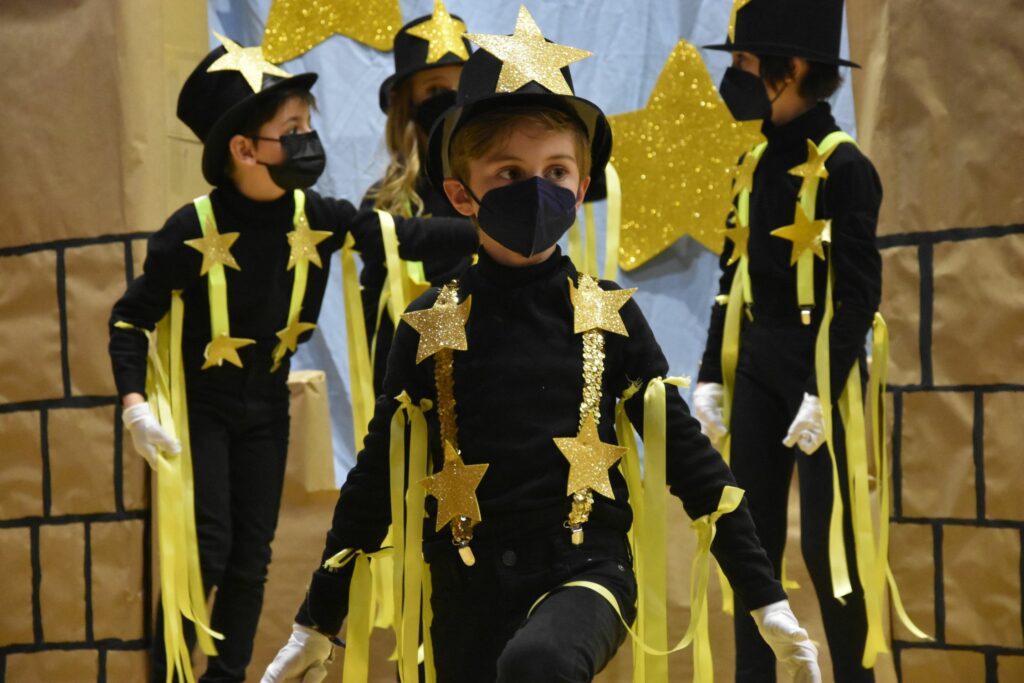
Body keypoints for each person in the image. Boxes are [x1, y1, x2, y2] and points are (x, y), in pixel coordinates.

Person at [263, 9, 821, 683]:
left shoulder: (606, 313)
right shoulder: (430, 320)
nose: (536, 188)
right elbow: (374, 480)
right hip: (464, 585)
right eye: (507, 172)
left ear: (582, 188)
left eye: (556, 171)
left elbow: (696, 466)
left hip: (587, 571)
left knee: (539, 663)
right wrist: (315, 621)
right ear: (461, 194)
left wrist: (766, 600)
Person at [109, 34, 478, 683]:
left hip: (266, 404)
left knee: (253, 553)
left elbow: (402, 236)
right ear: (244, 149)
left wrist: (490, 231)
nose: (309, 139)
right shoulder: (190, 229)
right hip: (203, 407)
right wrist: (135, 404)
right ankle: (168, 669)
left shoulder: (318, 214)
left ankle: (223, 676)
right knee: (209, 547)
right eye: (292, 129)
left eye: (309, 125)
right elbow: (130, 318)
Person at [693, 0, 885, 681]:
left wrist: (822, 390)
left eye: (746, 63)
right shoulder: (749, 165)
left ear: (791, 68)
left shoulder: (845, 167)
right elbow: (731, 277)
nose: (737, 77)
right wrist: (712, 371)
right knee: (753, 543)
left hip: (820, 377)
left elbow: (859, 294)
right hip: (756, 370)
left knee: (834, 552)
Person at [360, 0, 475, 394]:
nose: (452, 100)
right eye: (435, 90)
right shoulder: (385, 201)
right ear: (407, 105)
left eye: (462, 88)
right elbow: (374, 320)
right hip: (416, 382)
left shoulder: (501, 186)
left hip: (492, 371)